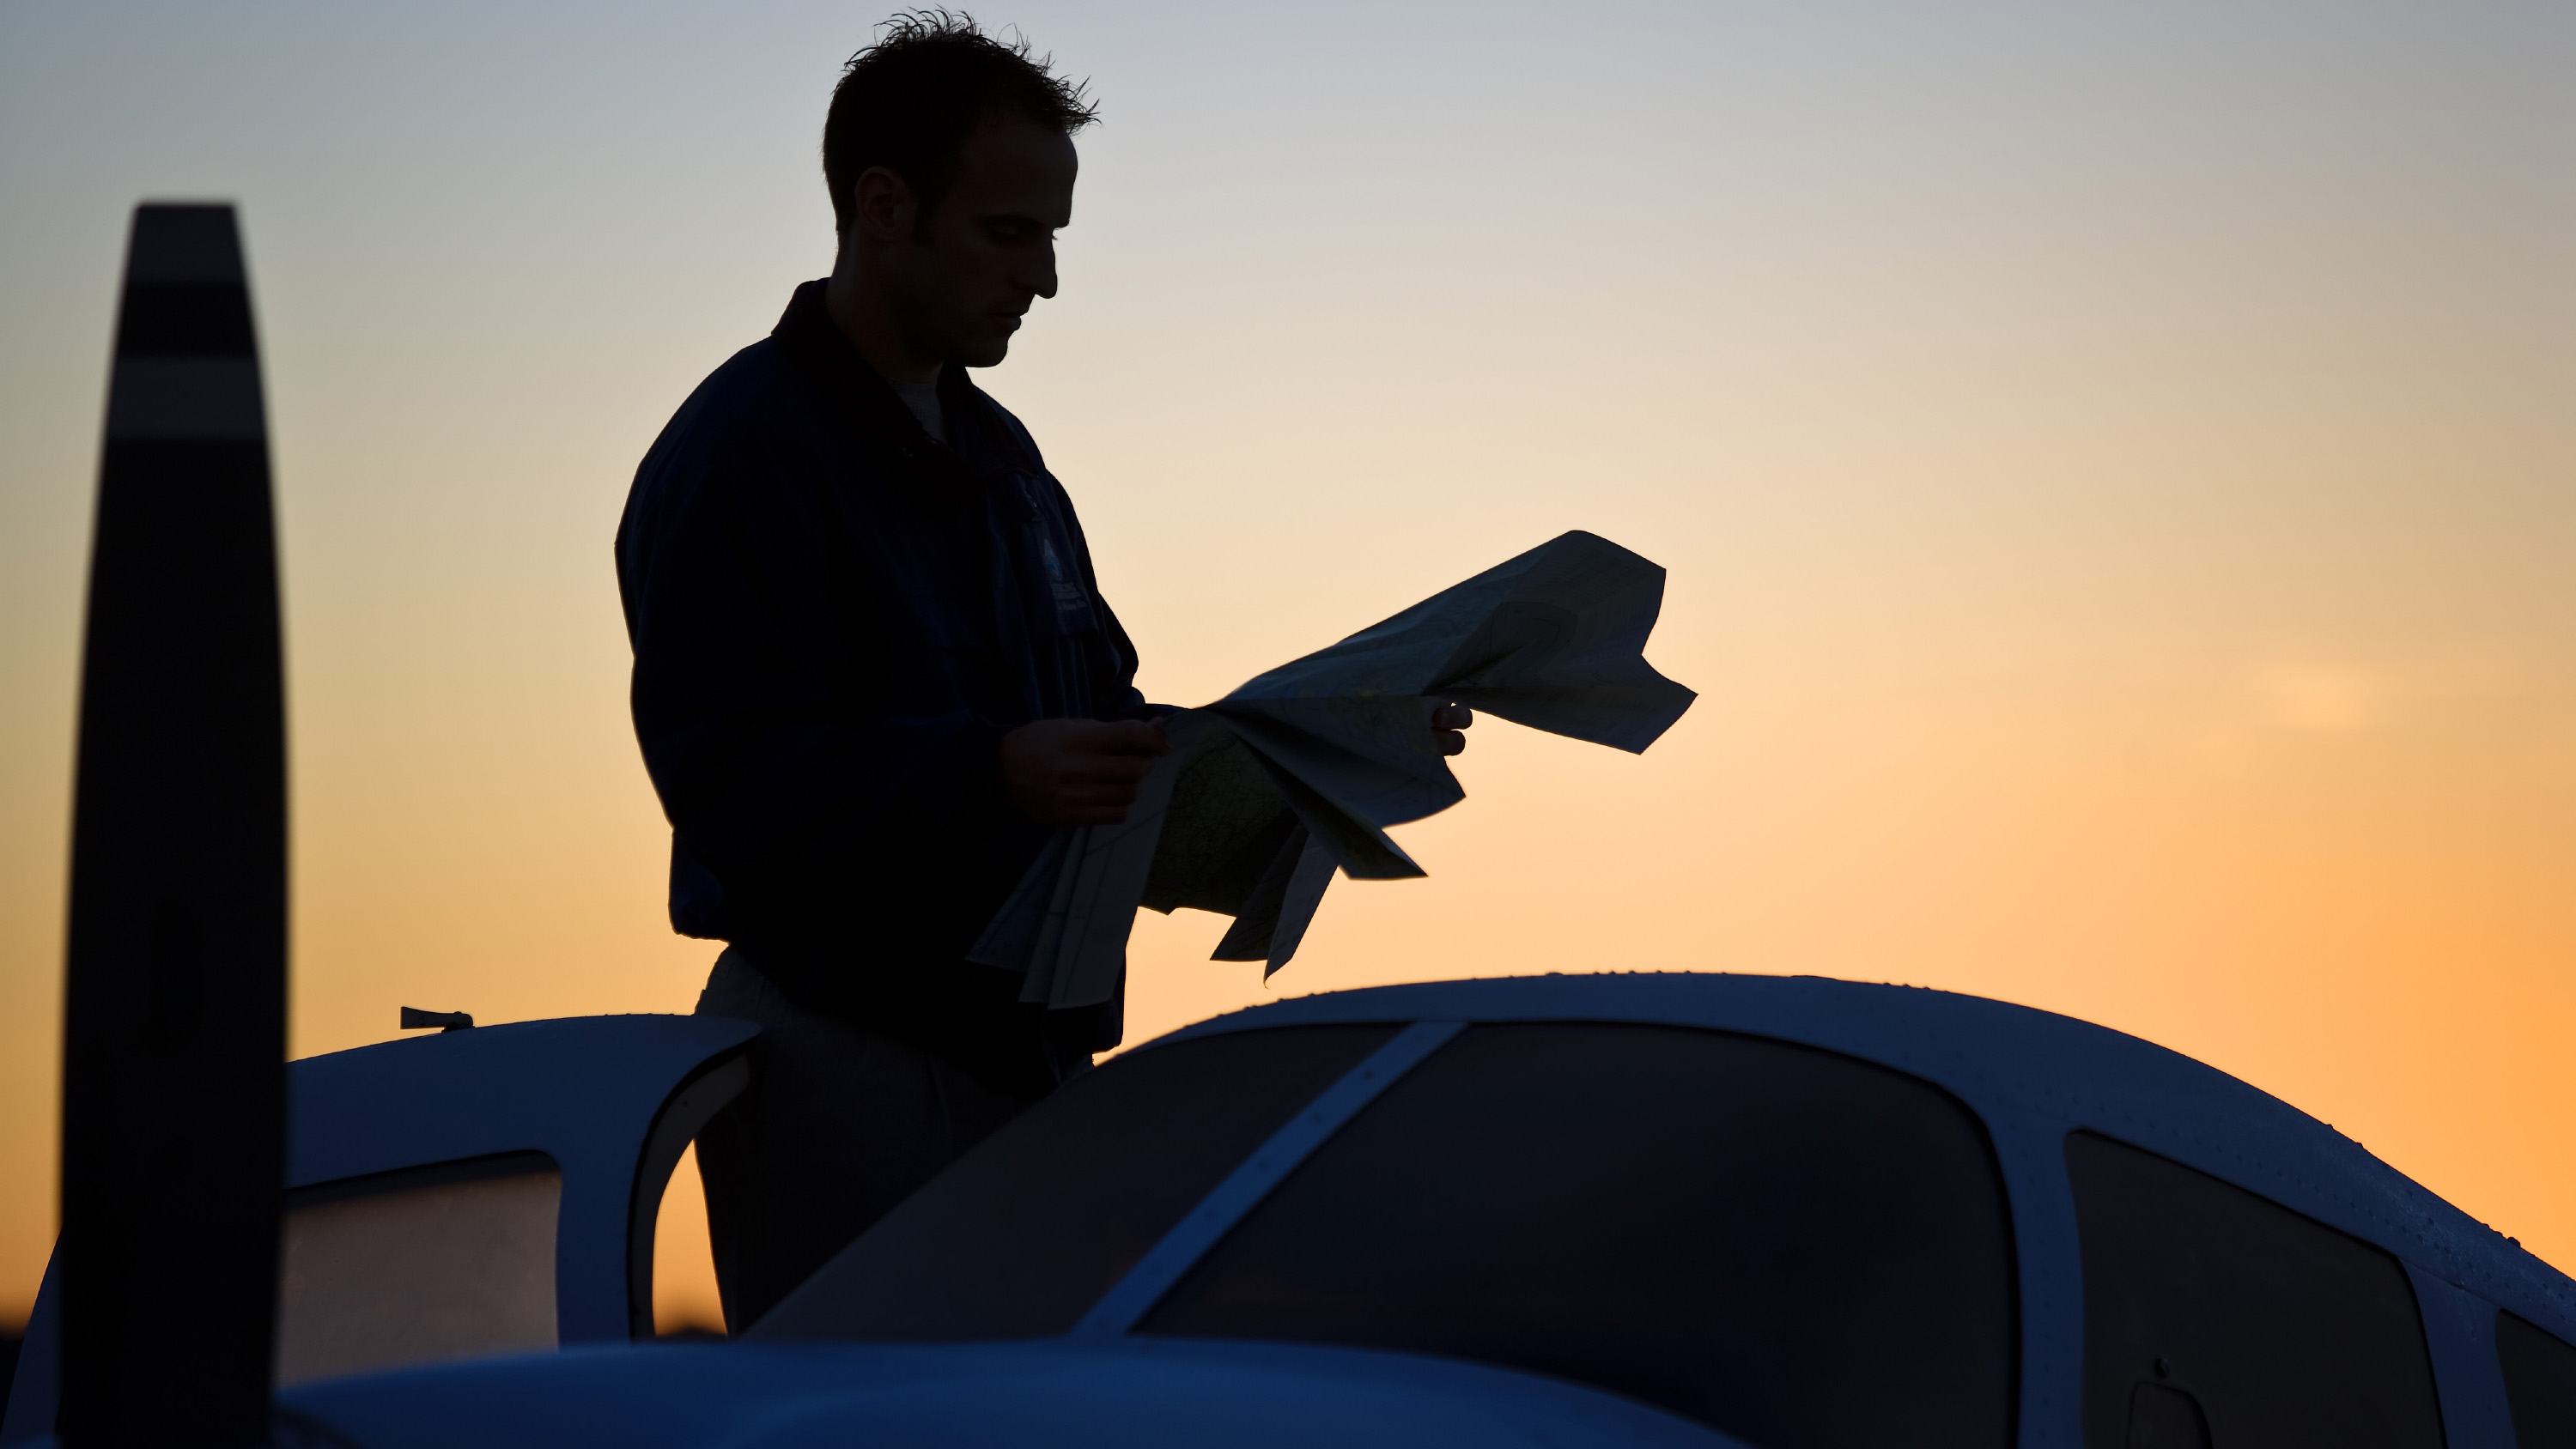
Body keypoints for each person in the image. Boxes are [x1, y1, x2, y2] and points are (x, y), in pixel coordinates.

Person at [615, 15, 1467, 1333]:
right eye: (1013, 235)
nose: (1050, 280)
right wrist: (988, 772)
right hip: (851, 1063)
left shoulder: (1009, 465)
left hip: (1027, 1062)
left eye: (1054, 236)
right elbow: (726, 781)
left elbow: (1101, 739)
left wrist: (1324, 756)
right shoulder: (744, 456)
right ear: (883, 209)